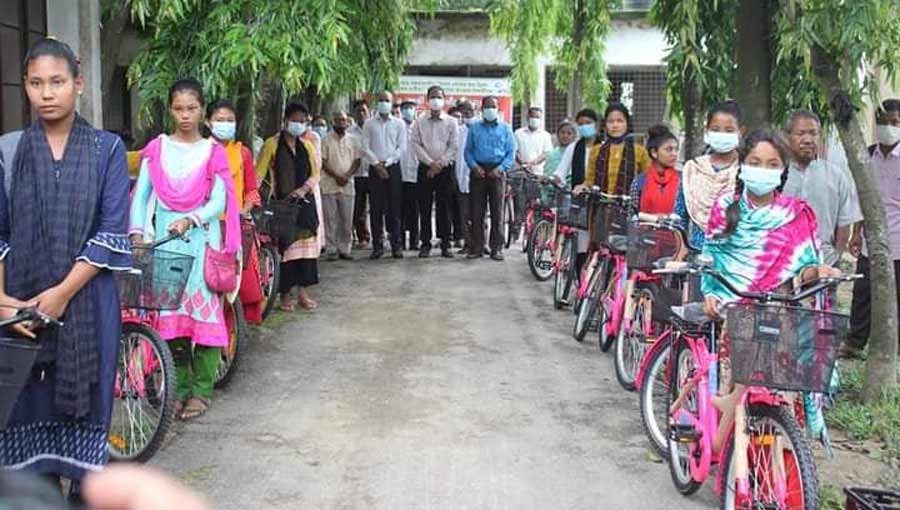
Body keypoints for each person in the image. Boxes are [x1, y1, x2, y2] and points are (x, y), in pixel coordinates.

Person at [0, 38, 130, 502]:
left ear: (78, 84)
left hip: (88, 307)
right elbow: (0, 235)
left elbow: (111, 232)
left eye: (57, 82)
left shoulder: (107, 149)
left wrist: (60, 294)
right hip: (22, 315)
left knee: (86, 418)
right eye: (36, 83)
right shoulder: (8, 152)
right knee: (24, 420)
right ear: (26, 89)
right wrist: (5, 303)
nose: (47, 93)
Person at [701, 130, 838, 451]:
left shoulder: (797, 214)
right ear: (743, 165)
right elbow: (712, 260)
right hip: (734, 320)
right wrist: (709, 292)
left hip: (782, 321)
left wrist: (818, 270)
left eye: (771, 163)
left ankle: (776, 475)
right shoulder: (725, 207)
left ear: (782, 170)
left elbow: (802, 272)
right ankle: (729, 465)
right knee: (737, 405)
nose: (762, 169)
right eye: (755, 162)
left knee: (777, 408)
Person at [131, 78, 241, 420]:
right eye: (178, 108)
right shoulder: (157, 148)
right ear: (170, 110)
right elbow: (142, 195)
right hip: (165, 246)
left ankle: (202, 391)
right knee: (172, 322)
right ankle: (177, 390)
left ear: (203, 111)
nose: (185, 115)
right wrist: (137, 234)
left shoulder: (213, 152)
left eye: (192, 108)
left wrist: (191, 219)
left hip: (201, 245)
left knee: (204, 319)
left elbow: (220, 200)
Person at [845, 99, 900, 358]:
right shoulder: (867, 155)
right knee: (863, 293)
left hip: (899, 243)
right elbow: (862, 197)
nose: (887, 127)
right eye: (882, 122)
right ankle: (855, 342)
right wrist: (857, 232)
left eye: (894, 123)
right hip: (871, 241)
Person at [257, 102, 321, 311]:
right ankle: (285, 296)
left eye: (302, 121)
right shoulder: (272, 144)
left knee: (307, 252)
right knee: (285, 250)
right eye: (295, 120)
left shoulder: (308, 145)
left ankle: (303, 294)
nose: (298, 124)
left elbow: (315, 173)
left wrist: (304, 189)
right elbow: (260, 174)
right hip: (282, 205)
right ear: (285, 121)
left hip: (305, 203)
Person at [206, 99, 264, 324]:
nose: (226, 124)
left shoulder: (243, 153)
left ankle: (230, 335)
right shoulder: (202, 151)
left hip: (235, 226)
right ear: (208, 123)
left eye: (230, 120)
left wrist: (242, 211)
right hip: (207, 225)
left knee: (239, 283)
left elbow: (251, 191)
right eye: (220, 120)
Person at [783, 109, 862, 266]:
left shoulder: (835, 176)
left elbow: (844, 222)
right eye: (801, 133)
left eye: (813, 133)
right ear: (787, 137)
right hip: (781, 264)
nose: (808, 140)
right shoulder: (776, 174)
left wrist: (835, 258)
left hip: (823, 264)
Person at [674, 100, 744, 253]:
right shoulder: (693, 170)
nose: (722, 134)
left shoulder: (746, 172)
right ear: (707, 131)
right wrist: (680, 250)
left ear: (740, 132)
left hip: (734, 259)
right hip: (695, 258)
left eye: (729, 130)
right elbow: (679, 218)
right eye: (716, 129)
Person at [464, 95, 516, 260]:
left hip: (497, 172)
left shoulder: (506, 129)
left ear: (498, 109)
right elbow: (468, 151)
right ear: (481, 109)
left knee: (497, 212)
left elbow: (511, 153)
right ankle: (478, 247)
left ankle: (496, 248)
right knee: (476, 212)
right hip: (478, 171)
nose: (489, 110)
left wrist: (500, 169)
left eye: (492, 106)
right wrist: (474, 166)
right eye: (486, 106)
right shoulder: (474, 128)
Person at [411, 85, 459, 258]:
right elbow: (415, 144)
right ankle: (425, 243)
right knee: (424, 207)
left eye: (439, 97)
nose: (435, 100)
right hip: (425, 168)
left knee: (444, 207)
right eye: (432, 97)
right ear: (427, 100)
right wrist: (430, 163)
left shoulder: (452, 122)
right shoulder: (419, 121)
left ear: (444, 100)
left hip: (445, 169)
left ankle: (445, 243)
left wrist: (440, 164)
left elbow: (454, 146)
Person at [361, 91, 408, 259]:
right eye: (380, 100)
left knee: (395, 208)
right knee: (375, 209)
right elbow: (365, 147)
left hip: (393, 168)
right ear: (376, 102)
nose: (383, 103)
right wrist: (376, 164)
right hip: (375, 170)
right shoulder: (369, 124)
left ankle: (396, 245)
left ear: (392, 102)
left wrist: (386, 163)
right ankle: (377, 246)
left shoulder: (399, 124)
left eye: (387, 100)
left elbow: (401, 147)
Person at [582, 102, 650, 194]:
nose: (615, 125)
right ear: (605, 124)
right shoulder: (596, 150)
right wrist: (583, 187)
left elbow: (647, 181)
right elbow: (589, 181)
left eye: (620, 121)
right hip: (599, 205)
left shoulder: (640, 151)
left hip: (629, 205)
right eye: (610, 121)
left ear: (627, 123)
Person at [320, 111, 360, 261]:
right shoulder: (325, 140)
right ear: (333, 122)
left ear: (347, 122)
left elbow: (357, 161)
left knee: (346, 219)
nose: (341, 123)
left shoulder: (353, 140)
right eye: (338, 120)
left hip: (348, 185)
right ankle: (331, 249)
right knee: (330, 219)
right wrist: (337, 176)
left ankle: (345, 249)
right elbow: (323, 162)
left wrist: (347, 176)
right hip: (329, 184)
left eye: (344, 120)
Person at [629, 125, 680, 214]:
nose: (674, 154)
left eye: (676, 149)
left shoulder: (683, 181)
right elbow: (632, 216)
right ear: (654, 153)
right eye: (669, 149)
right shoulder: (639, 182)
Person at [553, 108, 601, 189]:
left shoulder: (604, 147)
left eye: (588, 123)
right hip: (577, 194)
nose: (584, 126)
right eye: (581, 124)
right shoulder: (573, 148)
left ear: (596, 125)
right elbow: (561, 172)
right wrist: (555, 180)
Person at [455, 100, 476, 255]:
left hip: (478, 178)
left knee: (479, 215)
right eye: (464, 110)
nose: (467, 113)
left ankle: (482, 243)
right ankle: (468, 244)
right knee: (464, 214)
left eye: (470, 110)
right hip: (461, 178)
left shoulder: (480, 128)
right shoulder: (458, 130)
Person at [350, 100, 371, 247]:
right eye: (358, 111)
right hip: (357, 175)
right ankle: (363, 237)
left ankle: (379, 236)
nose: (361, 113)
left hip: (374, 173)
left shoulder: (374, 128)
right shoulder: (350, 132)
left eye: (364, 110)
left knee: (377, 207)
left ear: (369, 111)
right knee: (358, 208)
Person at [399, 100, 420, 251]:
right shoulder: (397, 126)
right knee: (398, 209)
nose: (408, 111)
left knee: (415, 209)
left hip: (416, 174)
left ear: (415, 110)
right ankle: (399, 240)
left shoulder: (420, 126)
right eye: (405, 108)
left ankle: (414, 241)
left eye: (410, 108)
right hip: (399, 174)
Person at [515, 106, 554, 175]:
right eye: (532, 117)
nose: (534, 119)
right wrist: (523, 163)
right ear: (527, 118)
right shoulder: (518, 133)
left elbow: (546, 153)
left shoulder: (545, 135)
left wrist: (532, 163)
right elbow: (515, 150)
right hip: (520, 172)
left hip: (538, 173)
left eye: (537, 117)